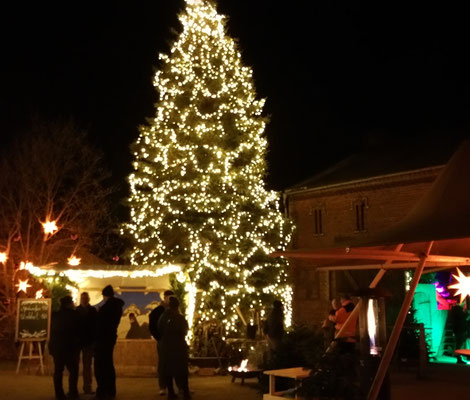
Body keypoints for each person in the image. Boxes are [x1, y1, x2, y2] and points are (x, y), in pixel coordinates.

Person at [94, 285, 124, 400]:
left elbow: (100, 323)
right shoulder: (117, 306)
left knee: (101, 366)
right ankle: (111, 391)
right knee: (108, 365)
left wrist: (97, 313)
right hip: (110, 338)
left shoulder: (107, 308)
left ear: (105, 295)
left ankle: (101, 391)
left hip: (103, 339)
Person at [157, 296, 190, 400]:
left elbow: (159, 329)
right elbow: (184, 331)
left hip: (166, 346)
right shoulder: (180, 318)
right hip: (179, 347)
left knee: (168, 371)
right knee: (182, 371)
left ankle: (171, 392)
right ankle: (185, 392)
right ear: (178, 306)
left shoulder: (163, 317)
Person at [49, 295, 80, 400]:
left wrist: (51, 347)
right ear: (69, 303)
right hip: (70, 348)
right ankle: (73, 392)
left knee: (58, 371)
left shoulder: (55, 315)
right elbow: (78, 331)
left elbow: (52, 332)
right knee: (73, 371)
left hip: (58, 348)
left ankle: (59, 394)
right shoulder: (74, 315)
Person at [149, 290, 174, 395]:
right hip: (163, 340)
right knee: (163, 364)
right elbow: (152, 325)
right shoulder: (159, 311)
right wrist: (158, 337)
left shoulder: (173, 310)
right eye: (170, 298)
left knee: (173, 363)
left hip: (172, 341)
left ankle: (175, 387)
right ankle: (163, 386)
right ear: (165, 298)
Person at [76, 291, 97, 395]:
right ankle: (76, 388)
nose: (84, 300)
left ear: (88, 299)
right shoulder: (77, 311)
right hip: (79, 342)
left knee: (87, 366)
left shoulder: (92, 311)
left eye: (85, 298)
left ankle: (87, 387)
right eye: (83, 298)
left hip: (88, 342)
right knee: (77, 366)